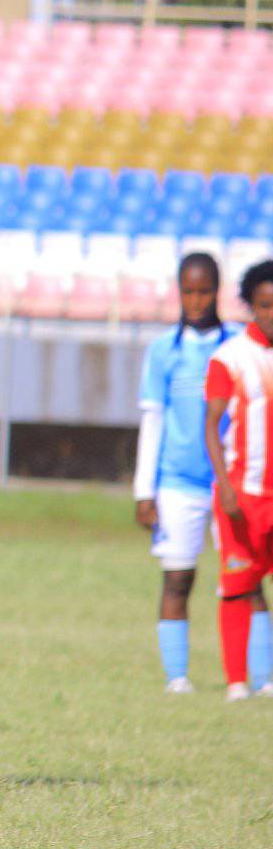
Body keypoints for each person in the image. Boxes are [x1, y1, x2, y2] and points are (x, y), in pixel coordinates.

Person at [133, 254, 251, 694]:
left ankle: (255, 679)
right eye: (188, 291)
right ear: (178, 291)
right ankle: (177, 677)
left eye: (204, 291)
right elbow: (154, 421)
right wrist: (145, 491)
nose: (196, 299)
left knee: (244, 579)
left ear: (217, 291)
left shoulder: (238, 345)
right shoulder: (164, 350)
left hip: (230, 485)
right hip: (176, 483)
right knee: (177, 578)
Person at [203, 260, 273, 702]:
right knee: (238, 585)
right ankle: (236, 681)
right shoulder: (229, 357)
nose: (272, 313)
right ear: (250, 306)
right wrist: (225, 485)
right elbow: (211, 424)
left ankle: (266, 678)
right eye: (264, 305)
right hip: (243, 495)